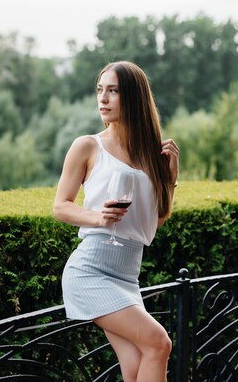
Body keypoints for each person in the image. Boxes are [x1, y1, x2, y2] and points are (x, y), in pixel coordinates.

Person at [53, 61, 180, 382]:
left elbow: (153, 225)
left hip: (127, 275)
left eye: (113, 91)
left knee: (137, 364)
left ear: (134, 98)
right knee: (159, 343)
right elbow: (61, 207)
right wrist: (99, 217)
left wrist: (171, 181)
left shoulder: (150, 155)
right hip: (90, 271)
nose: (103, 99)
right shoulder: (87, 146)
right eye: (100, 90)